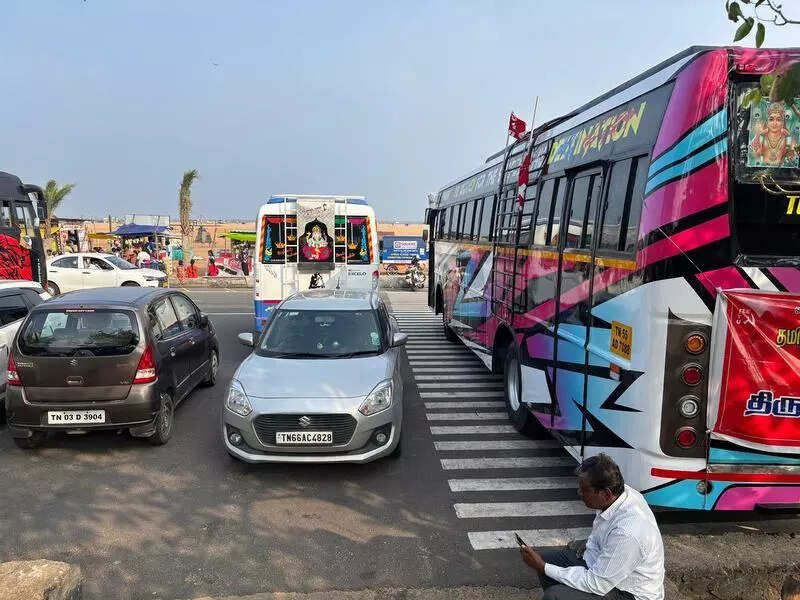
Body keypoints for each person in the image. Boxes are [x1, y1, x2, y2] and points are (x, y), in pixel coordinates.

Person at [519, 453, 664, 600]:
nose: (579, 493)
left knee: (554, 594)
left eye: (585, 490)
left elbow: (597, 584)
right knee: (546, 561)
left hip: (628, 592)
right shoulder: (618, 494)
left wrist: (544, 567)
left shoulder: (627, 533)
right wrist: (545, 566)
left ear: (606, 494)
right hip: (602, 567)